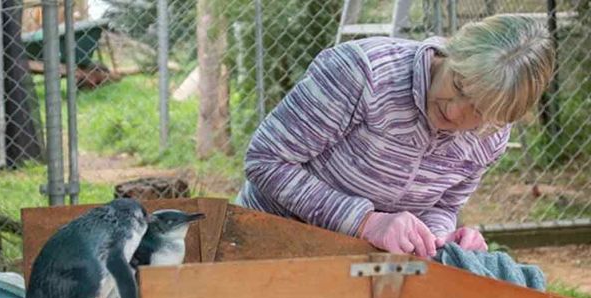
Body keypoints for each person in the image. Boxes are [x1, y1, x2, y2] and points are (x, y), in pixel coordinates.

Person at [236, 14, 555, 258]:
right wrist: (365, 222)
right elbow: (266, 160)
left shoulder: (490, 134)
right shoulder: (363, 72)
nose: (456, 113)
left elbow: (443, 206)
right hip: (270, 239)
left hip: (368, 265)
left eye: (479, 111)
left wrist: (439, 239)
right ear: (452, 52)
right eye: (458, 86)